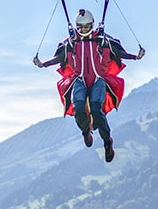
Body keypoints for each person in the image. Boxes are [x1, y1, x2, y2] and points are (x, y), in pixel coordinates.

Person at [34, 9, 144, 162]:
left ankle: (107, 142)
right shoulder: (71, 43)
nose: (83, 29)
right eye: (80, 27)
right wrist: (43, 64)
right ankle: (86, 130)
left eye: (86, 26)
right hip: (78, 79)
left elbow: (118, 53)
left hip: (99, 79)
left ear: (91, 25)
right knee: (78, 106)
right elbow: (59, 58)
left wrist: (135, 57)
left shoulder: (102, 40)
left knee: (95, 109)